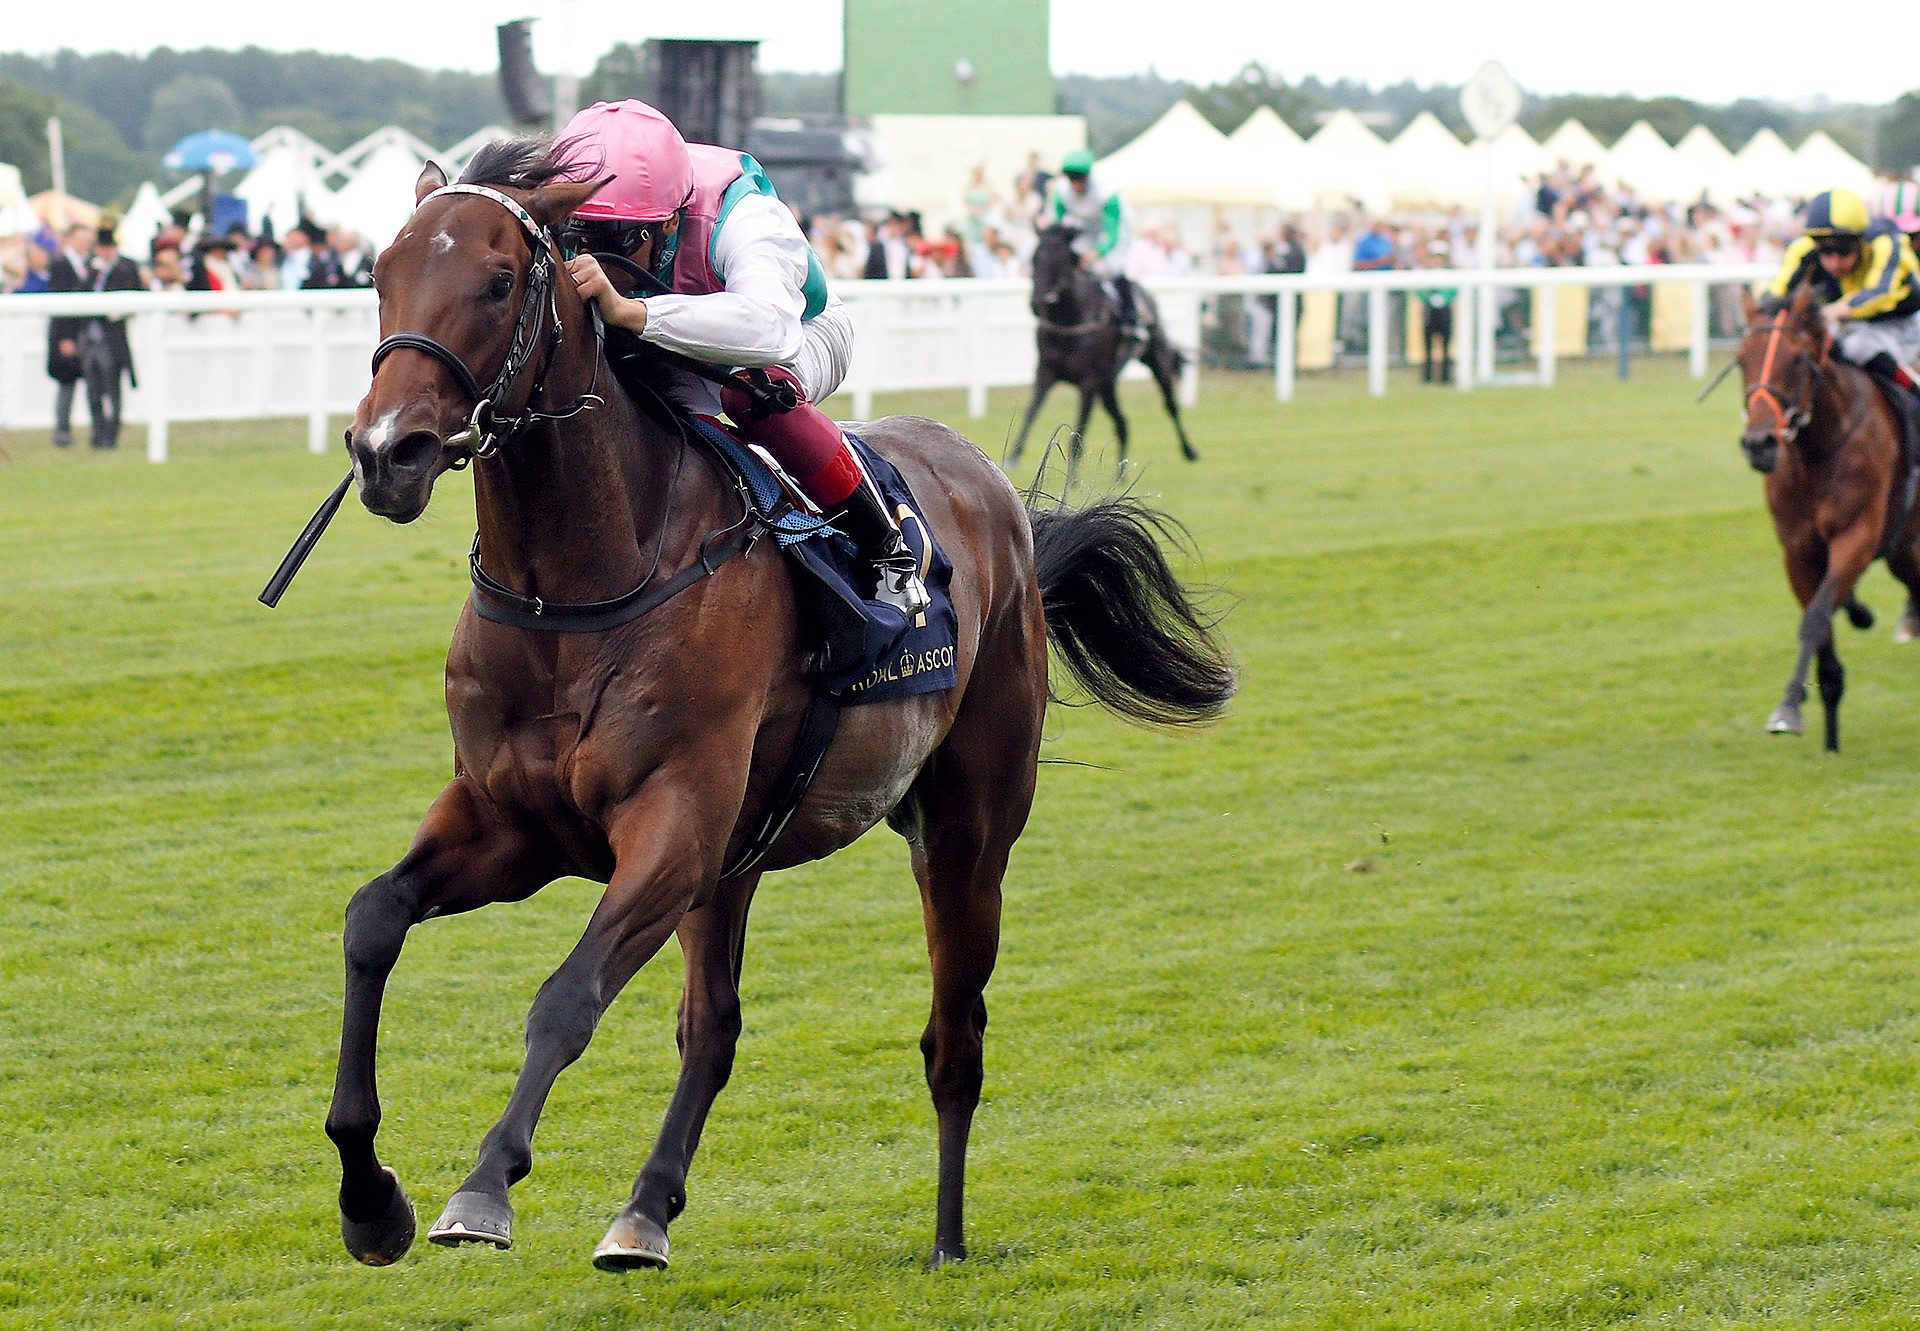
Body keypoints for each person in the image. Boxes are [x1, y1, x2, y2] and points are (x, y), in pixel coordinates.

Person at [559, 98, 930, 616]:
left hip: (804, 332)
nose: (597, 258)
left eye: (619, 240)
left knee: (750, 392)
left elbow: (771, 328)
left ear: (669, 222)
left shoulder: (744, 214)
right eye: (579, 234)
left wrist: (633, 313)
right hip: (674, 339)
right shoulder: (598, 202)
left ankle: (886, 548)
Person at [1764, 187, 1920, 395]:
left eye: (1844, 249)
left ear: (1859, 240)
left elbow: (1881, 293)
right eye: (1826, 251)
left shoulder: (1886, 243)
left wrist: (1834, 311)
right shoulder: (1804, 247)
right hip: (1854, 325)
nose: (1835, 261)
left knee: (1857, 345)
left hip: (1904, 324)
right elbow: (1775, 294)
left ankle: (1915, 390)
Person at [1046, 148, 1141, 349]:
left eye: (1080, 177)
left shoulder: (1108, 193)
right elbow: (1059, 223)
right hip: (1084, 229)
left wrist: (1097, 253)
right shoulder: (1061, 192)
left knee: (1113, 269)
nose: (1076, 183)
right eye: (1071, 178)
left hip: (1114, 231)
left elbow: (1112, 233)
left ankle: (1130, 321)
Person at [79, 226, 141, 449]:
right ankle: (97, 433)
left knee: (113, 389)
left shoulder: (126, 269)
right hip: (90, 338)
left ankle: (111, 435)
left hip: (112, 338)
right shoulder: (90, 269)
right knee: (93, 391)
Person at [45, 223, 94, 448]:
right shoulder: (61, 265)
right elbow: (60, 302)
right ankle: (62, 431)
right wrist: (65, 337)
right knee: (67, 383)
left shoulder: (87, 264)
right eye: (81, 238)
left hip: (83, 332)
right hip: (66, 333)